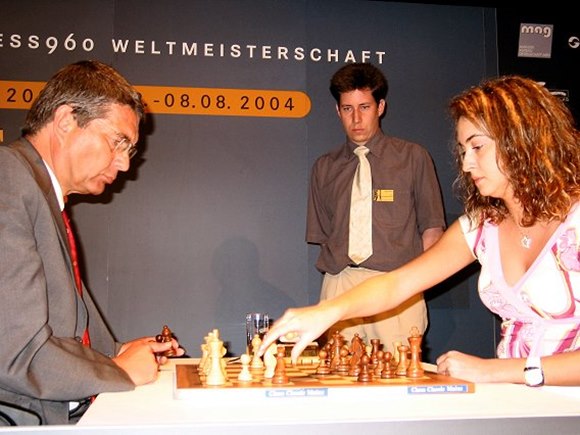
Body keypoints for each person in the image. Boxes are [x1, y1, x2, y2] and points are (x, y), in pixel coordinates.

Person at [260, 75, 580, 387]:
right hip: (517, 401)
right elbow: (397, 283)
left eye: (477, 147)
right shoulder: (481, 226)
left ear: (523, 140)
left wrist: (497, 371)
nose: (466, 164)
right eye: (463, 150)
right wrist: (325, 312)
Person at [0, 60, 184, 426]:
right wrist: (118, 369)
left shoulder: (37, 192)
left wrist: (121, 352)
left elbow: (66, 328)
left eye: (129, 149)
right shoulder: (8, 180)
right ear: (66, 121)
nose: (124, 164)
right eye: (118, 142)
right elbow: (17, 353)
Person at [306, 62, 445, 351]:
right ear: (337, 111)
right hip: (340, 284)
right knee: (339, 373)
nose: (356, 118)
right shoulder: (324, 167)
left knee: (398, 372)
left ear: (380, 107)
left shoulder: (413, 158)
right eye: (347, 108)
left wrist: (413, 285)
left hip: (396, 287)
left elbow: (432, 231)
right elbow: (324, 236)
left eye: (364, 107)